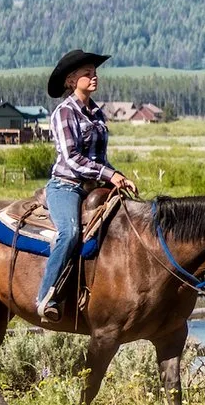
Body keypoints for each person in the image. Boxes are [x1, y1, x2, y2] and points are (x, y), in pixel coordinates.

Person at [37, 49, 138, 318]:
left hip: (95, 187)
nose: (94, 77)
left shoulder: (96, 113)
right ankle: (47, 295)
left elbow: (100, 158)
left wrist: (119, 177)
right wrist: (109, 175)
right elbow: (72, 159)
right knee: (69, 232)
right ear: (72, 80)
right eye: (87, 74)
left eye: (95, 73)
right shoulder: (64, 113)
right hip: (67, 185)